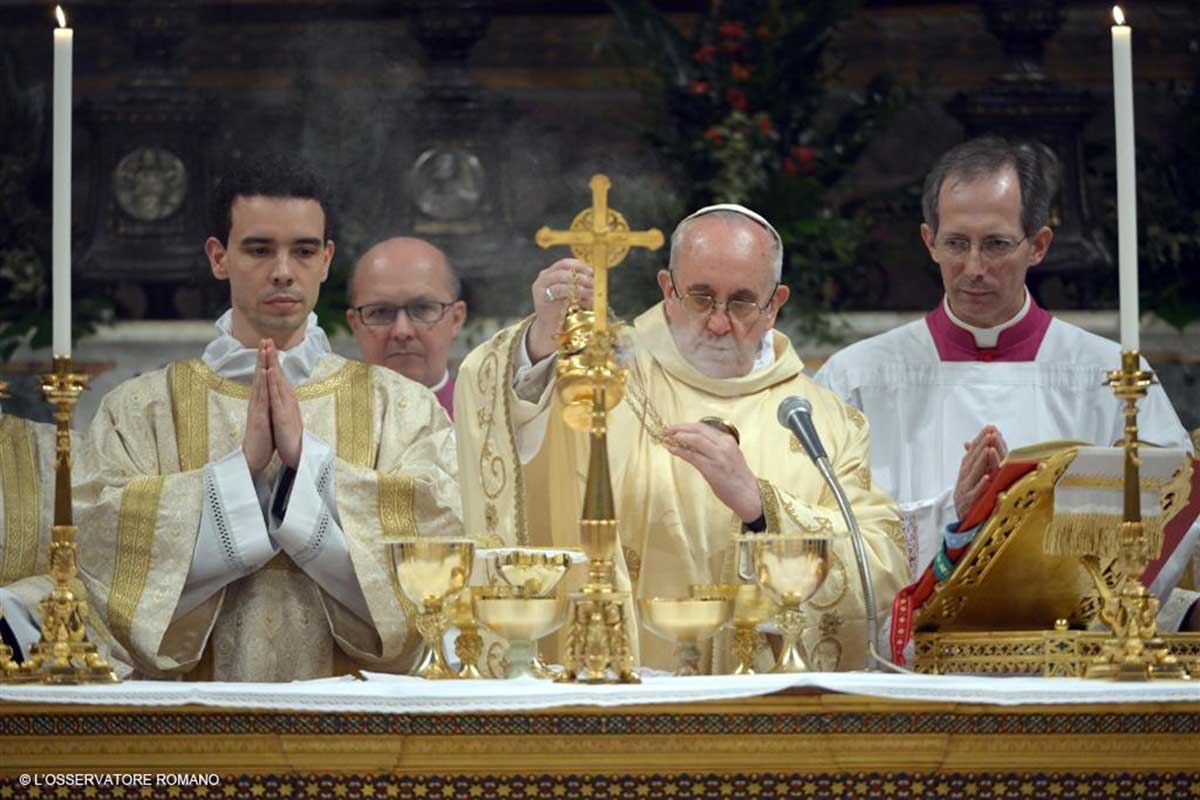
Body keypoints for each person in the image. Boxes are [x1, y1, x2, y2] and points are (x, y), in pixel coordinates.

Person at [455, 204, 910, 672]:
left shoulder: (824, 420)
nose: (717, 321)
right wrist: (543, 337)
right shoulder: (603, 373)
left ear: (775, 304)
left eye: (741, 302)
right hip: (607, 695)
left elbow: (881, 563)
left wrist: (762, 508)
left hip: (758, 713)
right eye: (700, 297)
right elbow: (501, 403)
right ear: (667, 290)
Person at [71, 159, 463, 681]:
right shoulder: (140, 410)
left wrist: (309, 465)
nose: (283, 270)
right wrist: (239, 471)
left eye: (303, 251)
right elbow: (97, 548)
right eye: (259, 249)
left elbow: (441, 541)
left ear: (326, 261)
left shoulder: (402, 408)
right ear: (219, 257)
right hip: (190, 728)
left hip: (356, 731)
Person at [815, 136, 1198, 634]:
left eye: (996, 244)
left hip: (1068, 656)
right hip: (906, 658)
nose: (974, 268)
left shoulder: (1109, 378)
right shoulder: (857, 379)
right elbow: (825, 531)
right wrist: (953, 518)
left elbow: (1172, 516)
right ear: (929, 241)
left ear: (1037, 245)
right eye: (956, 244)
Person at [347, 237, 467, 417]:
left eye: (423, 309)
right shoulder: (316, 433)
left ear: (456, 319)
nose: (402, 331)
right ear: (354, 324)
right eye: (380, 312)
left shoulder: (493, 429)